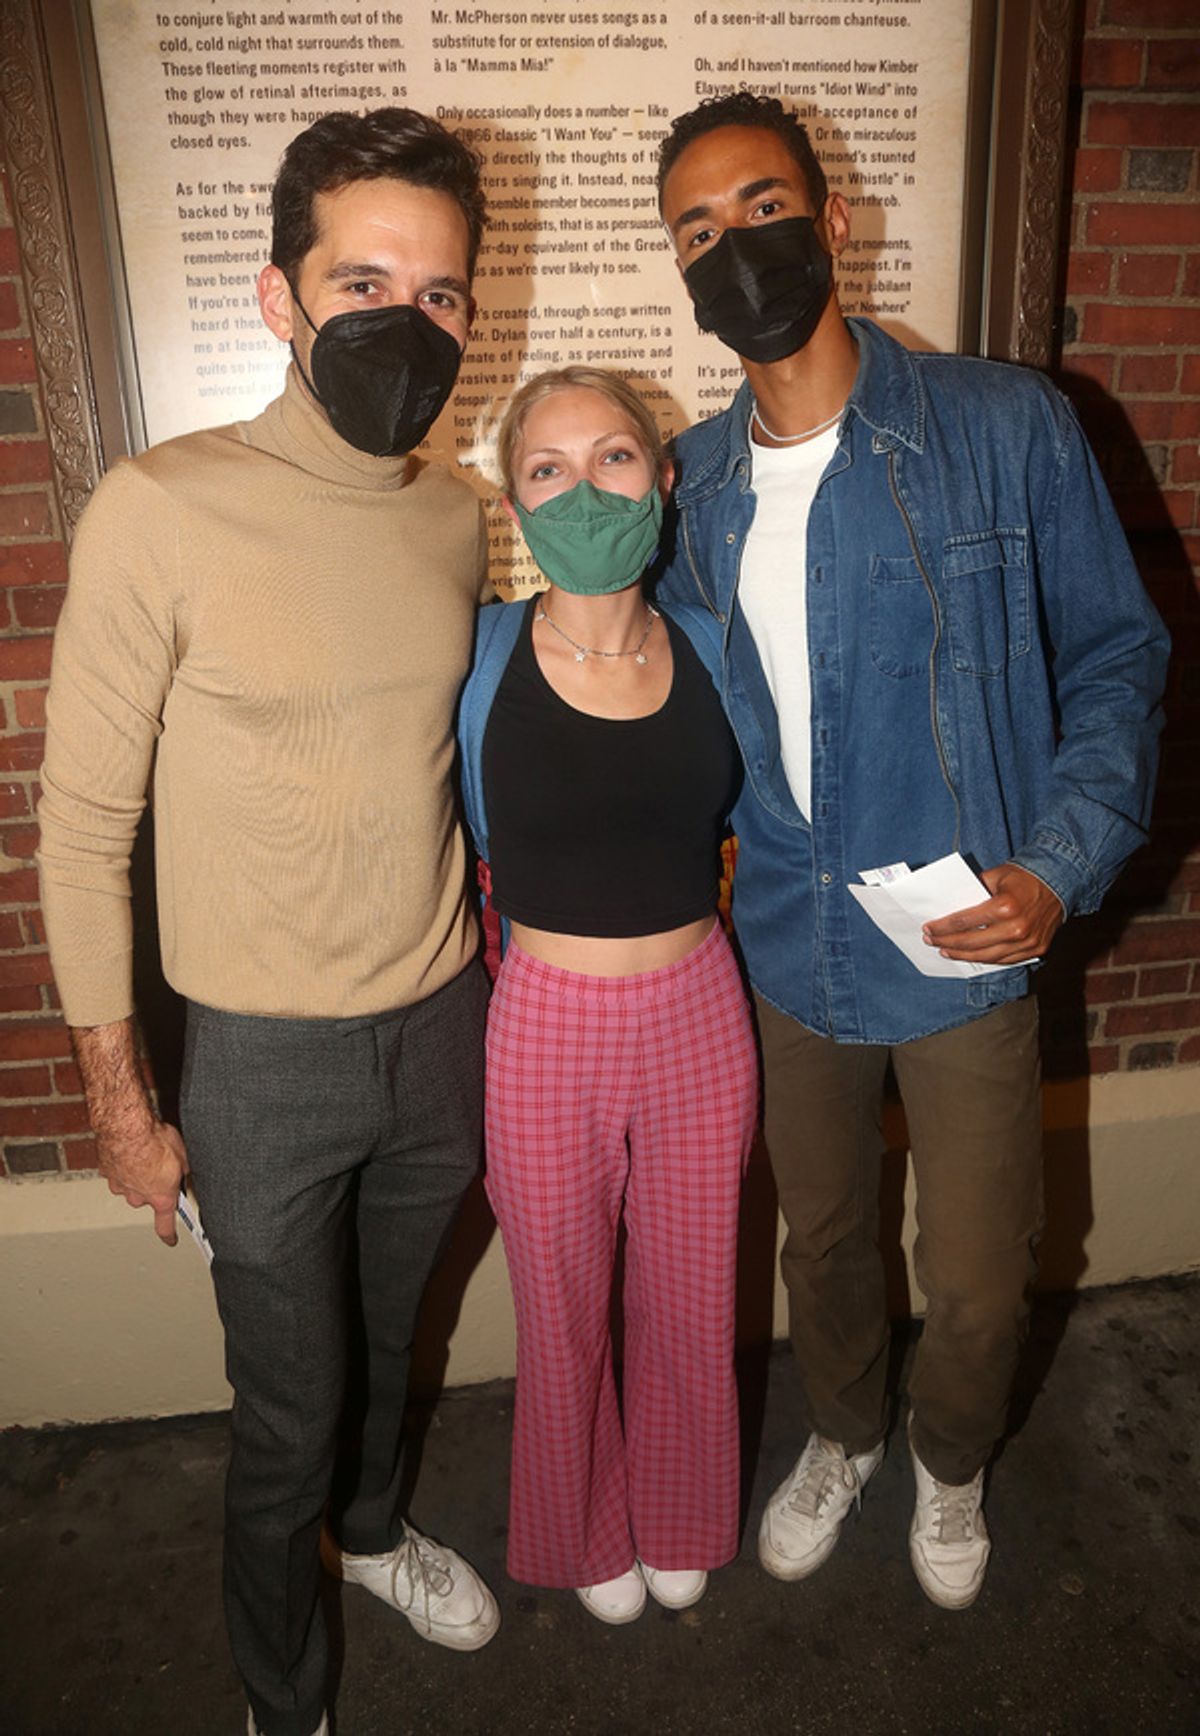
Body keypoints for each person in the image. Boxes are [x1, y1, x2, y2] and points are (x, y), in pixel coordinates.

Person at [653, 91, 1169, 1610]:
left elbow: (1119, 658)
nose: (734, 245)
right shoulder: (691, 484)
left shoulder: (1004, 425)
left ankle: (950, 1463)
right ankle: (843, 1433)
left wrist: (1060, 864)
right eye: (697, 229)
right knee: (821, 1243)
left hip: (966, 935)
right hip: (791, 937)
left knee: (982, 1267)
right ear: (679, 270)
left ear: (832, 215)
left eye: (759, 205)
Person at [37, 109, 501, 1736]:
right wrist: (121, 1097)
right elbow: (82, 820)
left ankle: (372, 1538)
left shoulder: (454, 516)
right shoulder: (159, 509)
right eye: (363, 277)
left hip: (445, 1024)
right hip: (254, 1062)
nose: (406, 319)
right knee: (287, 1409)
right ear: (278, 296)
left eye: (441, 293)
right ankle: (280, 1695)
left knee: (393, 1341)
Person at [457, 366, 758, 1623]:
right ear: (513, 501)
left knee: (694, 1292)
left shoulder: (714, 645)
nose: (584, 487)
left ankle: (685, 1508)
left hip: (701, 1007)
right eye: (547, 468)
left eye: (614, 457)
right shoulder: (474, 652)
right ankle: (583, 1527)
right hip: (541, 1023)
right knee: (562, 1300)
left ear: (664, 474)